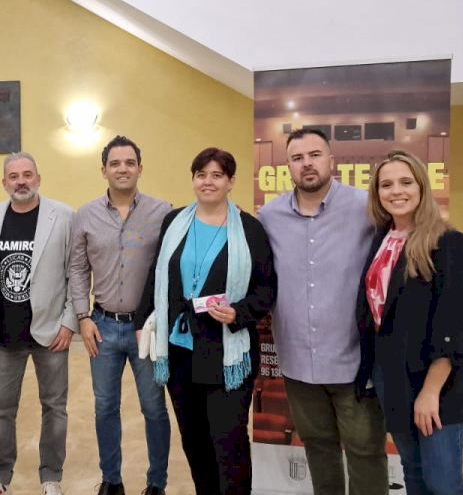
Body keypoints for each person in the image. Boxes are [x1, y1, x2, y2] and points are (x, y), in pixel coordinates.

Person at [255, 128, 387, 495]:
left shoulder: (366, 207)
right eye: (297, 158)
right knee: (318, 447)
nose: (307, 164)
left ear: (332, 160)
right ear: (288, 166)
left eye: (314, 155)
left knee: (365, 452)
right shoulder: (270, 215)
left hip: (354, 362)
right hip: (298, 363)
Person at [137, 147, 276, 495]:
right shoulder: (174, 222)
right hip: (179, 351)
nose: (208, 182)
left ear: (231, 181)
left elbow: (266, 289)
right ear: (193, 180)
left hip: (225, 352)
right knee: (194, 440)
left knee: (229, 443)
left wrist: (239, 312)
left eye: (217, 175)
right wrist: (143, 322)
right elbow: (156, 276)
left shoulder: (250, 230)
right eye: (201, 175)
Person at [356, 150, 463, 495]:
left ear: (422, 187)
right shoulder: (381, 239)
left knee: (442, 481)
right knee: (413, 472)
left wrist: (430, 391)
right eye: (386, 185)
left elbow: (452, 325)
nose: (396, 191)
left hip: (437, 380)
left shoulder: (449, 243)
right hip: (391, 376)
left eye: (406, 182)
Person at [69, 136, 171, 495]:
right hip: (102, 326)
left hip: (147, 329)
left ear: (140, 168)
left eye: (129, 163)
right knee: (105, 408)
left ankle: (156, 483)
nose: (122, 169)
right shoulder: (86, 215)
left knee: (154, 408)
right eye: (115, 163)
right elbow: (78, 269)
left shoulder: (163, 212)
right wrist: (82, 318)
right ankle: (111, 481)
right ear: (104, 170)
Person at [0, 152, 76, 495]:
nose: (21, 181)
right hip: (5, 334)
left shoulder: (63, 215)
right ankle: (0, 476)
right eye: (13, 176)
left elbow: (75, 272)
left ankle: (51, 477)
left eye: (27, 174)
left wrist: (69, 322)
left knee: (55, 408)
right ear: (4, 182)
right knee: (2, 410)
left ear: (38, 178)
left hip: (51, 332)